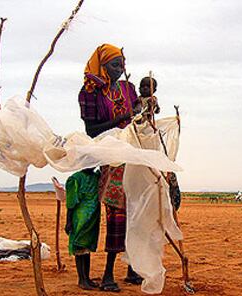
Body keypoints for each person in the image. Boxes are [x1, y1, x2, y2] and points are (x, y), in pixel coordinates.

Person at [78, 43, 142, 292]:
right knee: (117, 215)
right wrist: (120, 120)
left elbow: (139, 118)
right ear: (102, 66)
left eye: (123, 64)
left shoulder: (129, 88)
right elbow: (91, 131)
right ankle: (107, 275)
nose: (120, 69)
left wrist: (142, 111)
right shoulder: (90, 92)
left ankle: (132, 269)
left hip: (133, 156)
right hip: (111, 160)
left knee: (138, 213)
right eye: (115, 65)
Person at [65, 169, 101, 290]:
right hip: (80, 218)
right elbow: (71, 203)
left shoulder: (95, 176)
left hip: (92, 218)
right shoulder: (75, 178)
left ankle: (87, 278)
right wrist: (69, 221)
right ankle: (82, 279)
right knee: (79, 246)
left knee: (86, 248)